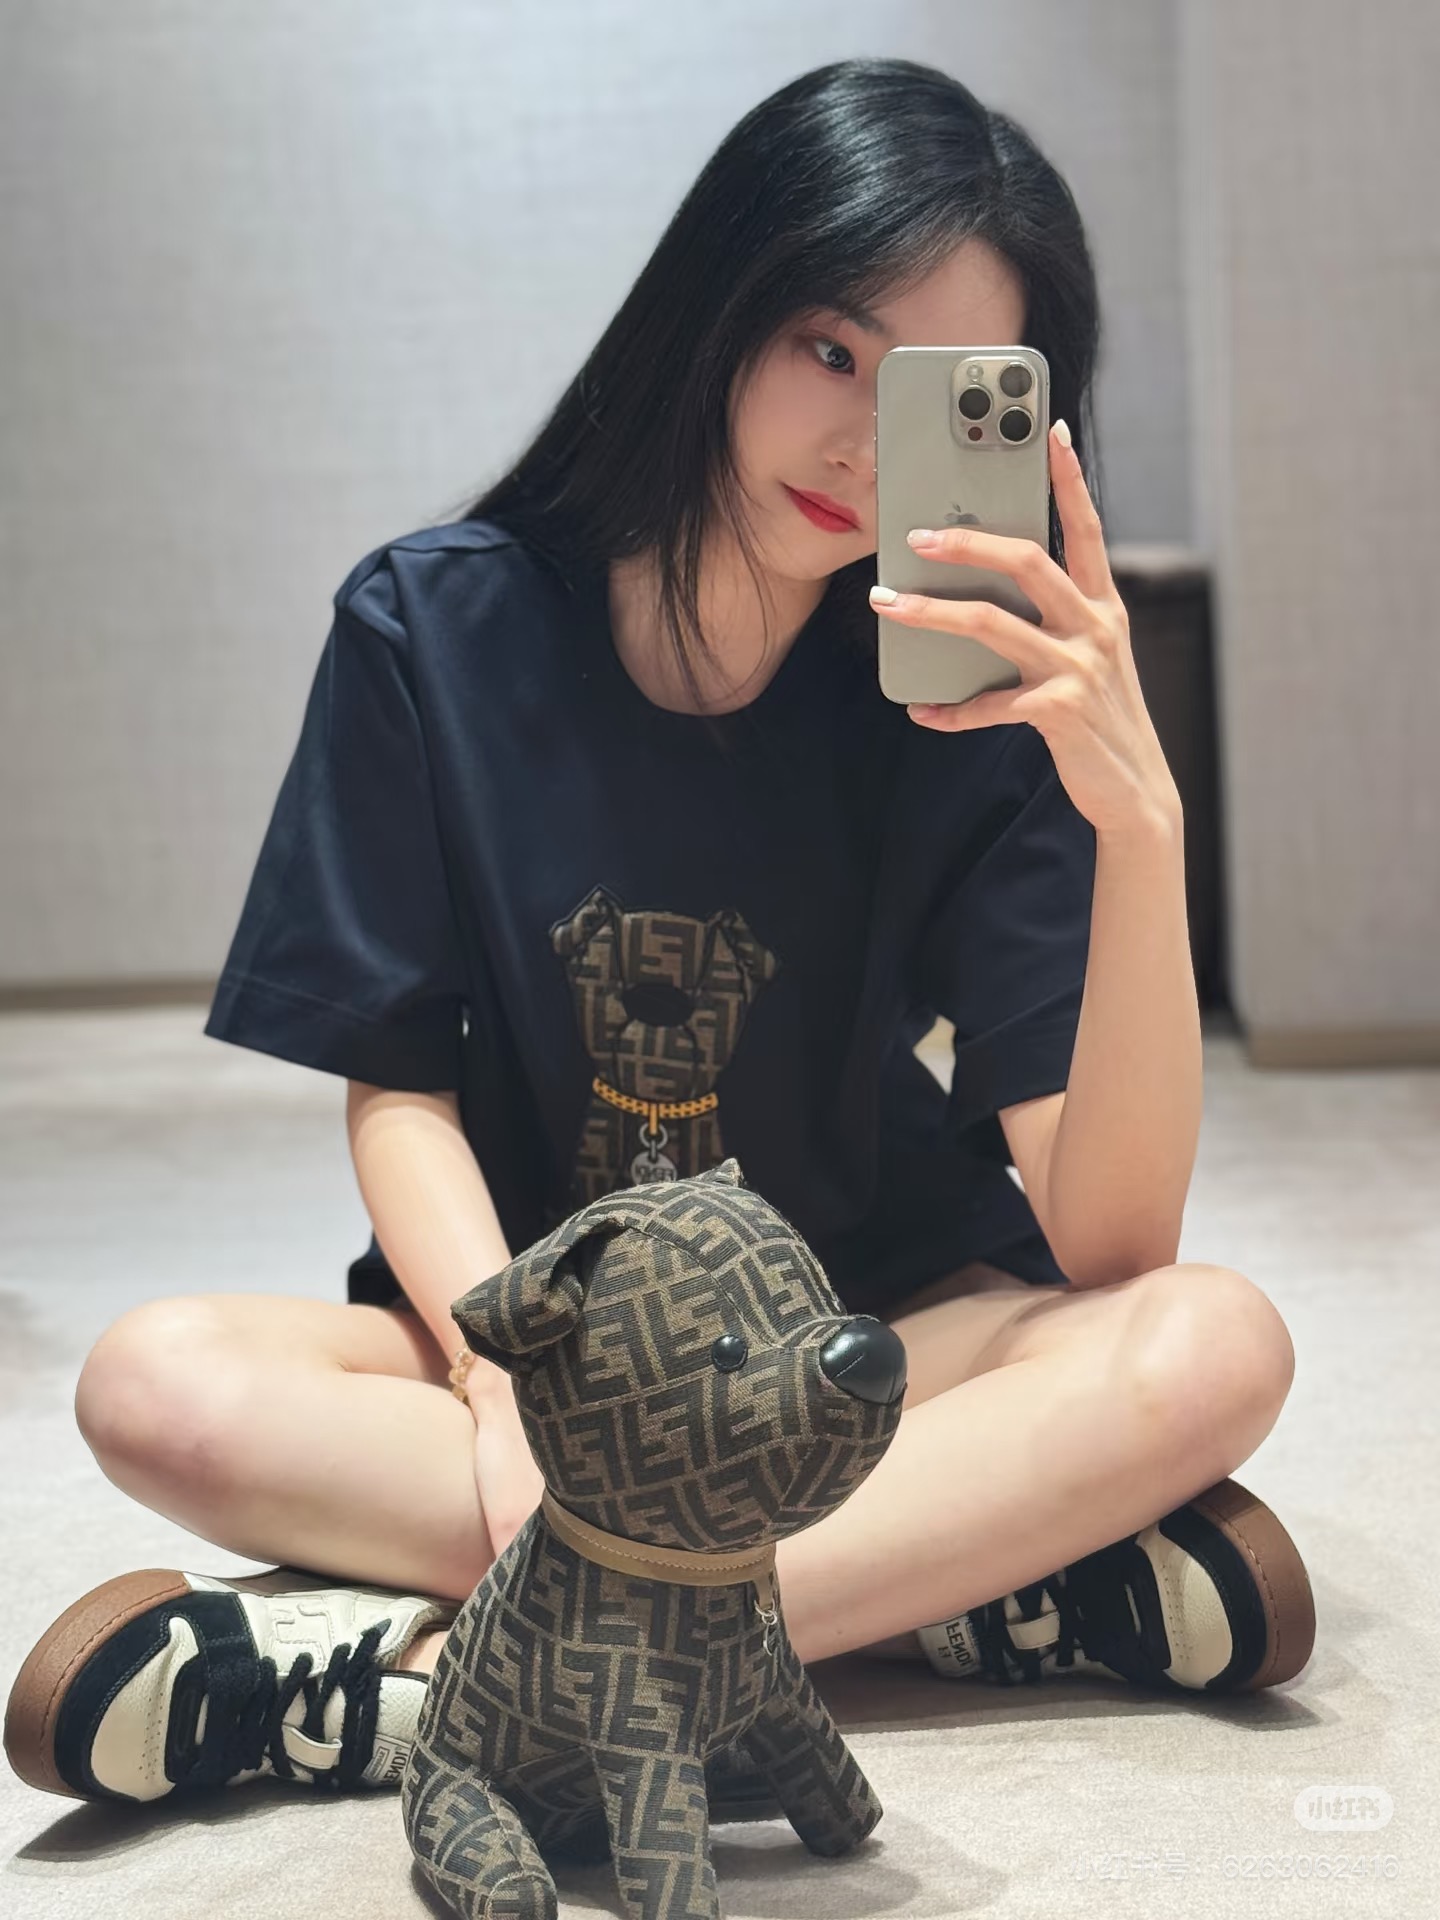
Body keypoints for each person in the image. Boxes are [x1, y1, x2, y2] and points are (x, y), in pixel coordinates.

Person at [4, 56, 1312, 1811]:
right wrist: (495, 1389)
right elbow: (401, 1093)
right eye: (829, 349)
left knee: (1213, 1340)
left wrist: (1142, 825)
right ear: (718, 304)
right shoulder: (431, 632)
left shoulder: (977, 701)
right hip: (544, 1351)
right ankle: (956, 1589)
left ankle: (469, 1680)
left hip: (857, 1348)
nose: (863, 445)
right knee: (157, 1384)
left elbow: (1114, 1237)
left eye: (934, 396)